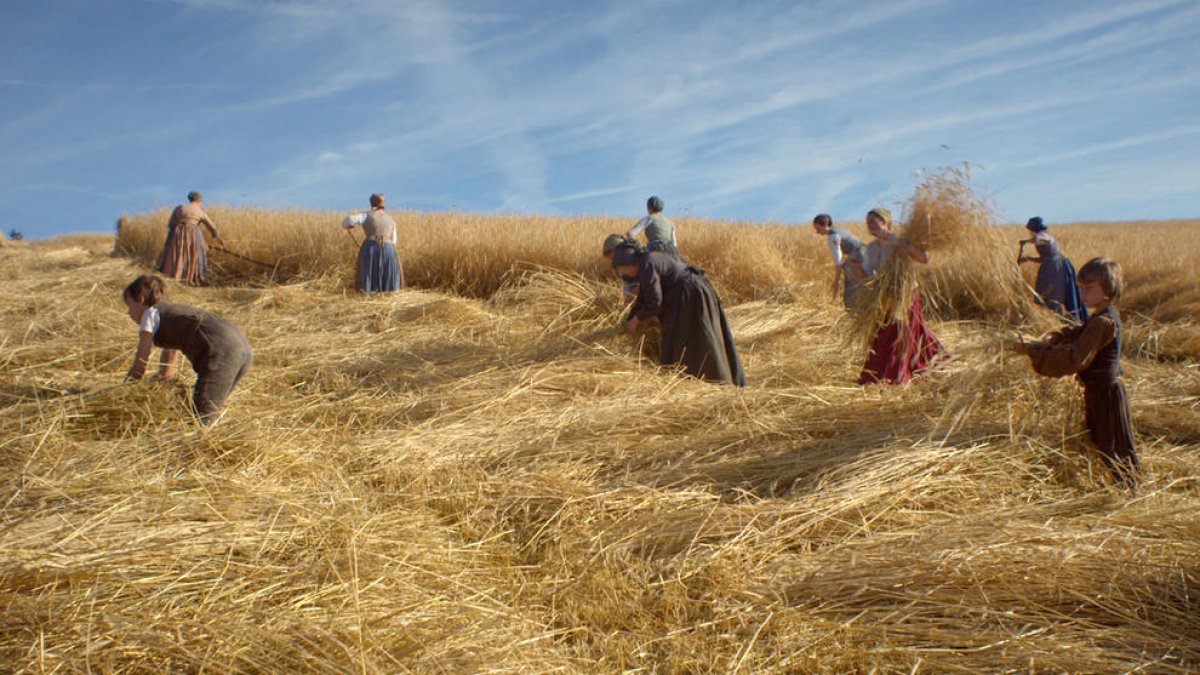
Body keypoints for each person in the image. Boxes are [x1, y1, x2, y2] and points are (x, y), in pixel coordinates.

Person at [1011, 258, 1138, 489]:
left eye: (1089, 288)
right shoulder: (1100, 317)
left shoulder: (1103, 322)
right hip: (1098, 392)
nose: (1082, 293)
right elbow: (1078, 333)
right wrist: (1054, 338)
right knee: (1102, 441)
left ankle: (1129, 493)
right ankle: (1121, 488)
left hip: (1107, 396)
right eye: (1081, 287)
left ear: (1108, 289)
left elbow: (1074, 359)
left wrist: (1032, 351)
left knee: (1115, 447)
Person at [123, 274, 253, 424]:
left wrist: (126, 390)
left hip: (220, 351)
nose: (128, 312)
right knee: (210, 407)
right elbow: (170, 354)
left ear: (141, 298)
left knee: (201, 418)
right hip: (243, 350)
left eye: (129, 305)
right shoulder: (172, 314)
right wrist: (162, 383)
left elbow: (141, 361)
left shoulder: (149, 314)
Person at [610, 243, 745, 385]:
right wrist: (630, 319)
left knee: (696, 339)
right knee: (702, 337)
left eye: (621, 269)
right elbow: (644, 297)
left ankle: (714, 380)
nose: (623, 274)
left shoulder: (646, 265)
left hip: (690, 295)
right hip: (695, 290)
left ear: (627, 263)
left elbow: (655, 303)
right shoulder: (647, 260)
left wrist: (636, 320)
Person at [854, 207, 942, 385]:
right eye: (867, 223)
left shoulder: (900, 240)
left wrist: (908, 249)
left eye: (873, 222)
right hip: (887, 296)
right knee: (896, 331)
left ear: (884, 222)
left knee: (901, 331)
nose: (869, 226)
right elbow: (869, 276)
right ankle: (927, 361)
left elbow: (924, 258)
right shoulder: (870, 249)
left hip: (905, 293)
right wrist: (858, 269)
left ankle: (895, 373)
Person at [1019, 217, 1087, 322]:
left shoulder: (1042, 236)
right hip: (1056, 265)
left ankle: (1061, 320)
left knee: (1053, 294)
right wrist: (1027, 250)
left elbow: (1043, 241)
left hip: (1055, 268)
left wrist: (1029, 247)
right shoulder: (1042, 237)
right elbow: (1044, 255)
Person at [156, 191, 228, 286]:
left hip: (176, 233)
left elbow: (171, 224)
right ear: (199, 200)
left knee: (176, 253)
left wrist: (176, 231)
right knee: (195, 254)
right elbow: (212, 228)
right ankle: (190, 278)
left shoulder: (180, 207)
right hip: (193, 234)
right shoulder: (200, 211)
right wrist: (221, 241)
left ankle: (173, 275)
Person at [342, 193, 403, 293]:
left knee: (368, 273)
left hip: (371, 247)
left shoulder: (365, 215)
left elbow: (347, 220)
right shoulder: (390, 219)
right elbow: (394, 240)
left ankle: (368, 292)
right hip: (389, 249)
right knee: (388, 274)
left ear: (371, 203)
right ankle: (389, 293)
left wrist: (348, 225)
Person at [812, 213, 865, 307]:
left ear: (825, 224)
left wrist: (836, 282)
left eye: (817, 228)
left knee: (851, 289)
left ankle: (852, 308)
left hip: (857, 255)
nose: (817, 232)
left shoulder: (832, 237)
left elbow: (839, 262)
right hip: (866, 251)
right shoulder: (840, 230)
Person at [602, 233, 642, 303]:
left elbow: (642, 285)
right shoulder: (624, 262)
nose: (612, 260)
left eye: (611, 256)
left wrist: (630, 298)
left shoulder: (633, 262)